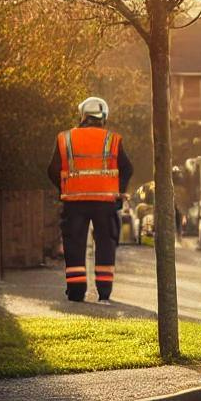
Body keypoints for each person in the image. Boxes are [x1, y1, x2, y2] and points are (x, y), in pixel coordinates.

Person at [47, 96, 132, 303]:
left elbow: (52, 170)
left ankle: (76, 292)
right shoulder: (112, 140)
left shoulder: (65, 138)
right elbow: (127, 168)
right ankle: (104, 291)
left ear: (83, 115)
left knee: (74, 244)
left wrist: (65, 188)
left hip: (74, 203)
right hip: (105, 203)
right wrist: (118, 191)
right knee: (105, 244)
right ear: (103, 117)